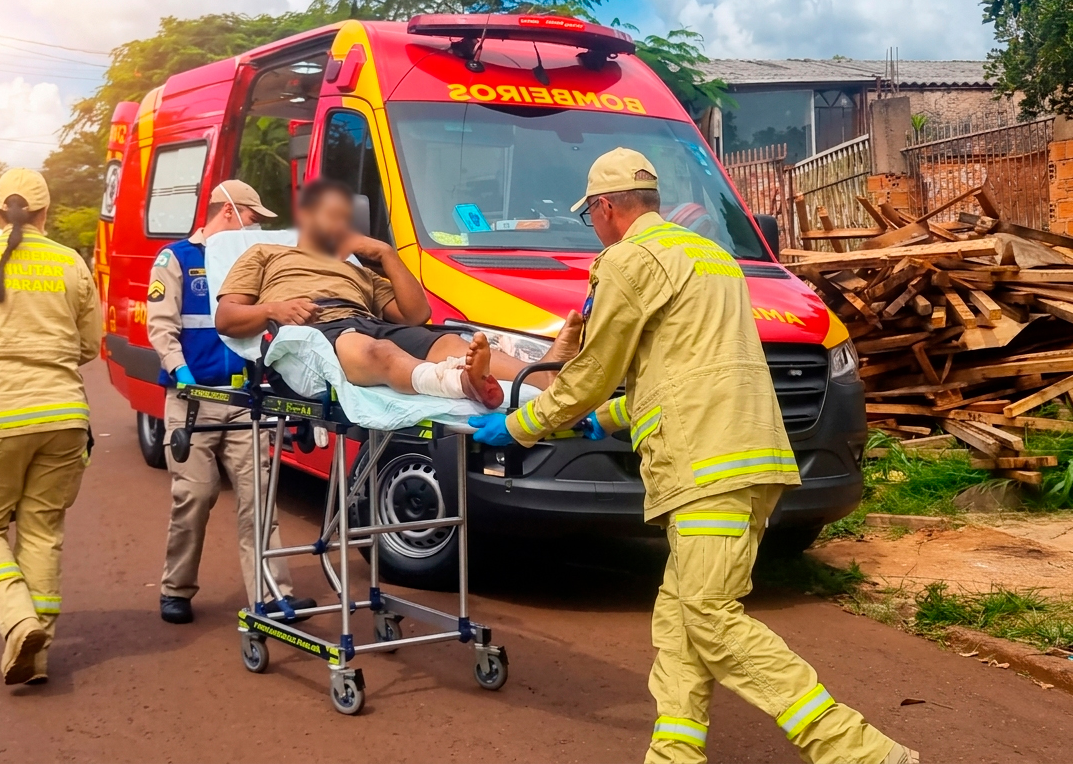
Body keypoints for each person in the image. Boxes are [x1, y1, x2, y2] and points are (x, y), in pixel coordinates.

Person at [469, 148, 917, 764]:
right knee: (680, 617)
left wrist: (519, 427)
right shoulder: (714, 257)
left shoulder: (628, 261)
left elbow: (592, 373)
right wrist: (604, 421)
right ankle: (674, 755)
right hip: (747, 453)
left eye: (591, 215)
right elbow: (687, 375)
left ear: (604, 207)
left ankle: (860, 752)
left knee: (709, 615)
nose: (593, 227)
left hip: (705, 467)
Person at [0, 168, 101, 686]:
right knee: (42, 531)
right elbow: (89, 347)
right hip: (65, 418)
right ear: (45, 213)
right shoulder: (72, 262)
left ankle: (17, 621)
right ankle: (36, 652)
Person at [215, 179, 582, 402]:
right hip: (318, 326)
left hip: (362, 318)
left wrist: (385, 254)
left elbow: (414, 315)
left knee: (451, 343)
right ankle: (456, 383)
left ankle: (545, 375)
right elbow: (227, 318)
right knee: (379, 349)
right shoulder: (266, 253)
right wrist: (274, 309)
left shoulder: (355, 270)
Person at [146, 179, 316, 624]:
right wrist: (180, 370)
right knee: (196, 495)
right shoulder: (177, 259)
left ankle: (274, 595)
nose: (256, 226)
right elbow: (161, 326)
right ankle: (176, 587)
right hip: (193, 401)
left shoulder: (250, 263)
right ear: (229, 212)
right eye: (253, 217)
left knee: (259, 498)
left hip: (244, 399)